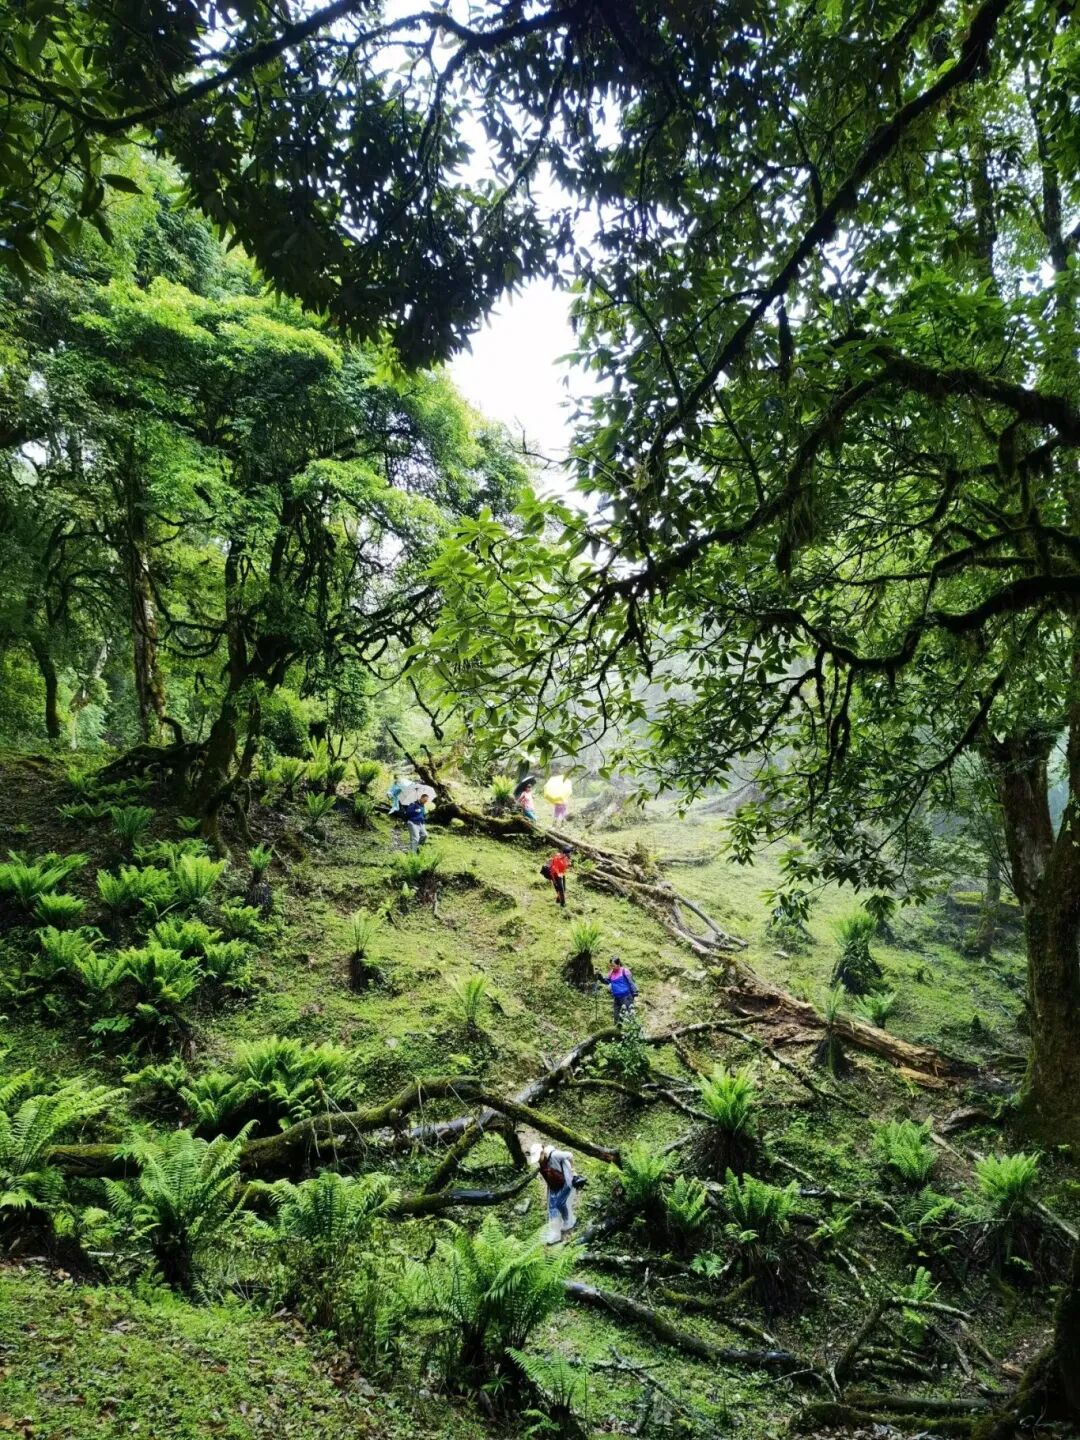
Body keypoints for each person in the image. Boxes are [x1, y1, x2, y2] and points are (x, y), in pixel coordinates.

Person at [528, 1141, 576, 1243]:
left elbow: (570, 1155)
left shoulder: (555, 1155)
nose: (538, 1161)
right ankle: (555, 1232)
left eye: (538, 1157)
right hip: (554, 1184)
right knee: (552, 1207)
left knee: (560, 1203)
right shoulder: (542, 1161)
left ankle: (568, 1222)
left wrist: (573, 1170)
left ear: (542, 1152)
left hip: (566, 1181)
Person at [601, 955, 638, 1024]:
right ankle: (617, 1029)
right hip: (617, 998)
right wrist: (600, 977)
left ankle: (631, 1029)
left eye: (613, 965)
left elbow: (631, 982)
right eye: (611, 965)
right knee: (616, 1018)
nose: (612, 967)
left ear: (618, 965)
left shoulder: (624, 971)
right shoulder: (611, 973)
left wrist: (635, 994)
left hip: (626, 997)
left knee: (629, 1017)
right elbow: (607, 981)